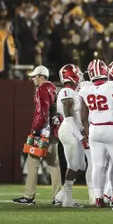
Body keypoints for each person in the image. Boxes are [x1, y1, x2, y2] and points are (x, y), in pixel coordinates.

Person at [13, 66, 61, 205]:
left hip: (42, 131)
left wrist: (37, 130)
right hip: (53, 130)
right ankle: (57, 197)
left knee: (32, 162)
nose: (32, 79)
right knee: (54, 163)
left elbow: (42, 112)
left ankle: (29, 196)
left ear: (41, 76)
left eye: (34, 76)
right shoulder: (54, 88)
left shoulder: (42, 89)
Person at [79, 59, 113, 207]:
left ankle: (98, 197)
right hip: (110, 127)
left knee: (98, 166)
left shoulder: (85, 88)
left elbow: (83, 116)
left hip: (94, 129)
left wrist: (88, 131)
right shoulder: (112, 86)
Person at [55, 64, 86, 208]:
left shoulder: (73, 91)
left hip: (74, 129)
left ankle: (62, 195)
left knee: (81, 166)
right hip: (69, 129)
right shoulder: (66, 91)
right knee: (73, 165)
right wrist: (79, 135)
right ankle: (67, 200)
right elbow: (68, 116)